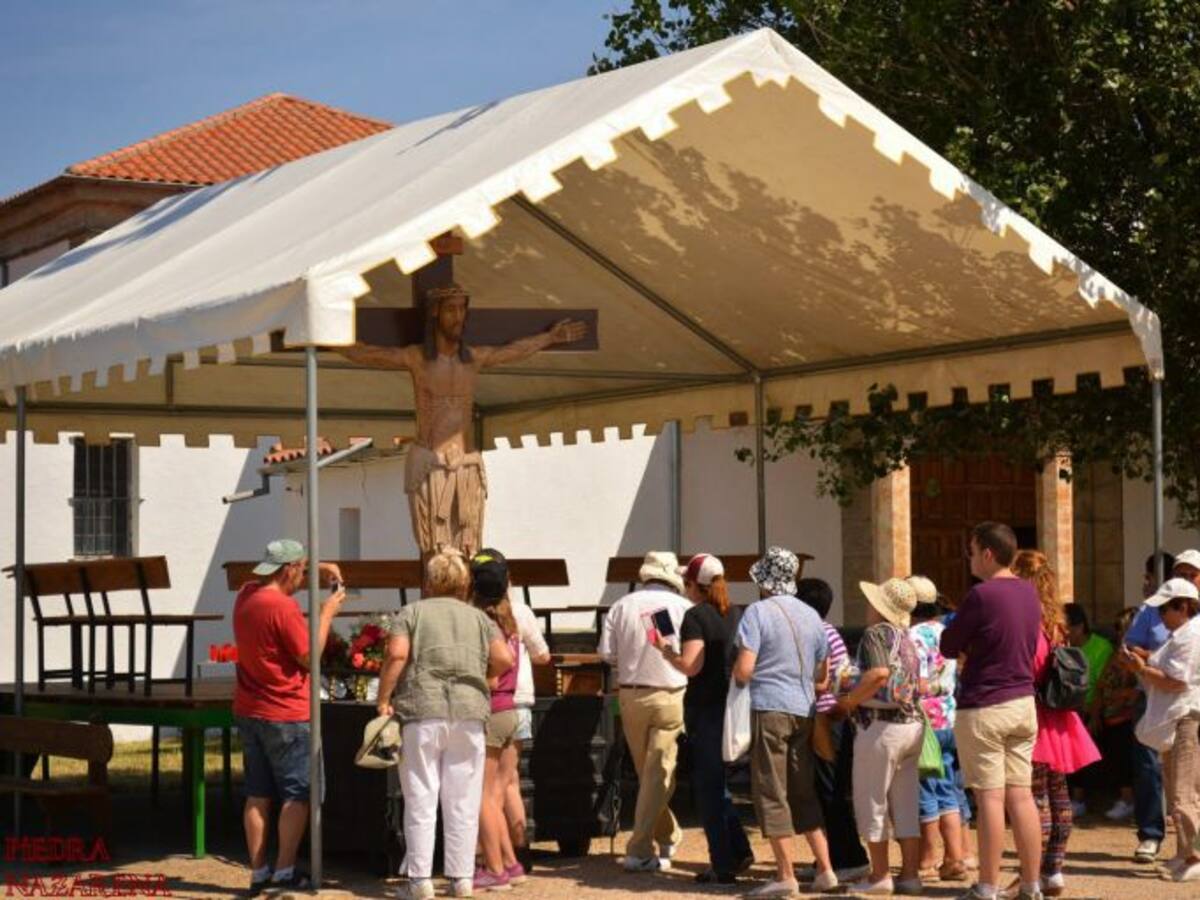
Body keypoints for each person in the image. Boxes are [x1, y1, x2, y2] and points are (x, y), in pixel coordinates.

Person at [339, 283, 586, 558]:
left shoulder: (474, 359)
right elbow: (367, 353)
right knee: (434, 553)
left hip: (467, 468)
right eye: (451, 309)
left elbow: (513, 351)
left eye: (462, 309)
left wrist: (550, 338)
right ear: (435, 313)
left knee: (469, 552)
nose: (459, 317)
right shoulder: (417, 358)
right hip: (430, 468)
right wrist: (321, 337)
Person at [376, 549, 514, 900]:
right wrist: (480, 676)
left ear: (430, 581)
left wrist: (383, 698)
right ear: (464, 581)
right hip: (469, 711)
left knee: (421, 796)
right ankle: (461, 878)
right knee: (463, 800)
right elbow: (504, 658)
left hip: (422, 708)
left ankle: (420, 881)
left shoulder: (411, 612)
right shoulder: (479, 619)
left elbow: (397, 655)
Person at [232, 539, 345, 895]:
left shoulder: (246, 594)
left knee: (257, 794)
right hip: (287, 712)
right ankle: (284, 871)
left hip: (250, 709)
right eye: (300, 570)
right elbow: (309, 656)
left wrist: (320, 566)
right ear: (289, 570)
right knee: (298, 793)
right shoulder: (282, 608)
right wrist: (327, 612)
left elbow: (286, 571)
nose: (303, 578)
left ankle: (258, 871)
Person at [941, 522, 1044, 900]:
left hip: (985, 703)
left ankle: (987, 885)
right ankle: (1032, 883)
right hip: (1022, 702)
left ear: (987, 553)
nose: (968, 558)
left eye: (971, 550)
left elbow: (949, 645)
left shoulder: (981, 595)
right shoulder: (1029, 593)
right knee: (1021, 795)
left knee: (989, 797)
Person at [733, 546, 837, 897]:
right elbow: (823, 677)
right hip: (803, 709)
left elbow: (745, 670)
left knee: (770, 790)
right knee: (802, 789)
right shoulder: (812, 617)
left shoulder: (757, 613)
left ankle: (785, 874)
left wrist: (737, 673)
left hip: (770, 707)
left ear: (763, 580)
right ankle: (826, 870)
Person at [653, 553, 753, 884]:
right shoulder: (737, 613)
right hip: (734, 706)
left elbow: (691, 666)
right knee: (720, 784)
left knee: (708, 788)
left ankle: (722, 864)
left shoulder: (696, 616)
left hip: (706, 708)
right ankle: (738, 849)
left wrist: (666, 651)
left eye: (686, 582)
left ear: (695, 585)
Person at [1010, 551, 1101, 898]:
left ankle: (1030, 874)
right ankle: (1054, 870)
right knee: (1058, 795)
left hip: (1034, 712)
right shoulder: (1057, 622)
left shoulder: (1027, 621)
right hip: (1060, 716)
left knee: (1034, 800)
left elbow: (1029, 667)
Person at [597, 551, 692, 872]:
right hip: (671, 694)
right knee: (656, 774)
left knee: (648, 773)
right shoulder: (683, 607)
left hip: (630, 696)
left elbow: (606, 653)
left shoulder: (622, 605)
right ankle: (666, 834)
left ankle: (641, 844)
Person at [835, 577, 924, 895]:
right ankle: (911, 875)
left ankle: (880, 875)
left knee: (871, 800)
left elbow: (878, 673)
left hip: (881, 727)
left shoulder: (876, 634)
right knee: (905, 803)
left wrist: (849, 701)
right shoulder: (907, 636)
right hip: (912, 726)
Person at [1125, 576, 1200, 882]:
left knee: (1183, 794)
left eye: (1165, 609)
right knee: (1175, 790)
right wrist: (1144, 663)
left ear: (1182, 607)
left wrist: (1142, 669)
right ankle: (1184, 854)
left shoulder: (1189, 636)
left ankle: (1195, 856)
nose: (1160, 616)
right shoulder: (1181, 633)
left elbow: (1178, 680)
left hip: (1184, 717)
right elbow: (1167, 669)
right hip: (1176, 717)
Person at [796, 576, 870, 884]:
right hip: (833, 719)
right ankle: (831, 856)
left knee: (830, 792)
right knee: (829, 790)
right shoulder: (829, 632)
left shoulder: (817, 634)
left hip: (826, 719)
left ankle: (848, 857)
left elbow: (821, 679)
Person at [469, 550, 528, 891]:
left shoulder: (483, 621)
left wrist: (487, 678)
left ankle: (494, 868)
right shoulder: (510, 619)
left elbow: (501, 662)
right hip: (510, 711)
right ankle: (509, 862)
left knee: (483, 797)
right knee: (497, 793)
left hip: (492, 709)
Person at [908, 576, 969, 884]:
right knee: (947, 787)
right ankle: (956, 857)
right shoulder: (946, 631)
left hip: (924, 721)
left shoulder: (912, 635)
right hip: (949, 718)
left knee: (925, 789)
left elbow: (915, 682)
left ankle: (928, 858)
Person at [499, 555, 551, 866]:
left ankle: (500, 854)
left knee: (493, 784)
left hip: (491, 702)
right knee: (511, 780)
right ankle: (520, 851)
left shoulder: (478, 612)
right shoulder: (522, 611)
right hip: (520, 701)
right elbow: (542, 656)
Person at [1087, 609, 1139, 822]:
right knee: (1115, 760)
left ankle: (1128, 801)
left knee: (1124, 761)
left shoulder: (1136, 654)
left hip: (1127, 717)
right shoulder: (1115, 653)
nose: (1117, 632)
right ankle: (1124, 799)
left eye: (1121, 627)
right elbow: (1101, 685)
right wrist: (1096, 714)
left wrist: (1121, 695)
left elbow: (1140, 688)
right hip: (1110, 716)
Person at [1063, 602, 1113, 817]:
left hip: (1093, 709)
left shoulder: (1101, 647)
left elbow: (1103, 683)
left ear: (1080, 626)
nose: (1066, 634)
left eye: (1069, 628)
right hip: (1067, 710)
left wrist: (1094, 713)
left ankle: (1082, 798)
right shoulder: (1063, 647)